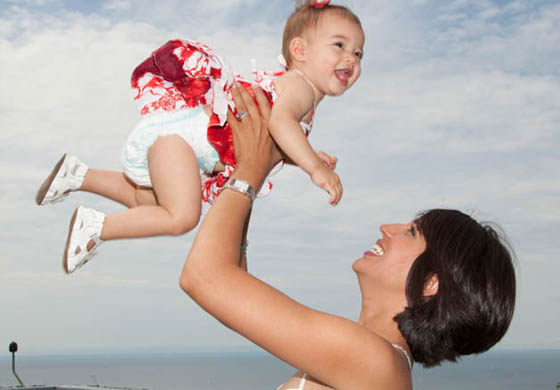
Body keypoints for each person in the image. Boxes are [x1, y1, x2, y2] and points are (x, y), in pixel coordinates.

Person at [179, 85, 517, 389]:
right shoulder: (374, 361)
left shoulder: (375, 362)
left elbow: (203, 277)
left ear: (431, 282)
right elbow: (228, 282)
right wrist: (257, 161)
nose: (388, 227)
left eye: (412, 232)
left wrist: (251, 169)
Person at [35, 0, 364, 274]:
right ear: (299, 50)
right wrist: (315, 168)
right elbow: (279, 124)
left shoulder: (299, 98)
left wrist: (303, 155)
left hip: (181, 143)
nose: (350, 58)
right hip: (181, 140)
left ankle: (78, 175)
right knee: (181, 217)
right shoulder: (300, 87)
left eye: (358, 53)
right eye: (339, 45)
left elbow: (267, 143)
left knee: (147, 204)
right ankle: (96, 228)